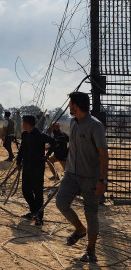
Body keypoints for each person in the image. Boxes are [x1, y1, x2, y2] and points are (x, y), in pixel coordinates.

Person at [55, 92, 108, 263]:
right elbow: (73, 146)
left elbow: (104, 154)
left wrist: (102, 180)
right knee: (61, 202)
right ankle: (79, 229)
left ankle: (91, 251)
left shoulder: (95, 126)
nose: (69, 106)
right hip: (71, 174)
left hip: (91, 178)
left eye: (70, 103)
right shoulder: (73, 122)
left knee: (91, 213)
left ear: (75, 106)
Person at [16, 115, 56, 226]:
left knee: (38, 193)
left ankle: (39, 217)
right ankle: (34, 212)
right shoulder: (24, 135)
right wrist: (18, 162)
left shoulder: (41, 135)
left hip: (38, 168)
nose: (22, 124)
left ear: (27, 124)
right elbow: (22, 150)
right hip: (27, 167)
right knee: (25, 191)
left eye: (23, 122)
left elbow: (54, 142)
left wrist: (48, 155)